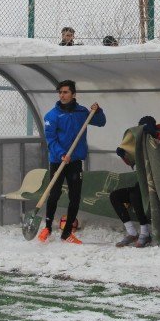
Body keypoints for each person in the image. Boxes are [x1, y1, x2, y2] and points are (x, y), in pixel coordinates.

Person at [38, 80, 107, 244]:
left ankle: (67, 232)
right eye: (60, 92)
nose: (62, 95)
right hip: (58, 161)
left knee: (75, 197)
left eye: (65, 92)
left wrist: (97, 111)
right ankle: (47, 227)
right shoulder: (52, 116)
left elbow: (101, 122)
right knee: (54, 194)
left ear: (73, 94)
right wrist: (62, 154)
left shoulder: (82, 112)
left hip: (75, 161)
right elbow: (51, 140)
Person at [112, 116, 160, 248]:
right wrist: (124, 155)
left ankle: (145, 233)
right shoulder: (140, 141)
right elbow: (133, 162)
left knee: (135, 194)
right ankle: (131, 232)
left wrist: (155, 133)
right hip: (144, 181)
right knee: (115, 196)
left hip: (159, 183)